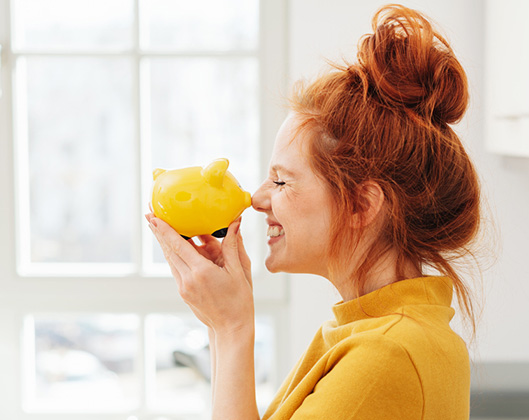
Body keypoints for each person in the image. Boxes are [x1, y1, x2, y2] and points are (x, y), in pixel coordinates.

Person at [146, 4, 481, 419]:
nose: (257, 198)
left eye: (282, 181)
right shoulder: (371, 332)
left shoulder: (385, 354)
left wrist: (233, 329)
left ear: (361, 204)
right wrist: (219, 324)